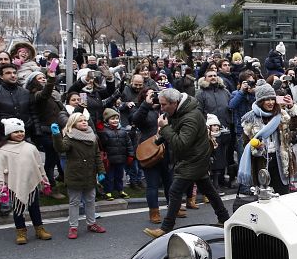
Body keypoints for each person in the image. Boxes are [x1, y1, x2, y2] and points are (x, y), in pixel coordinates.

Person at [143, 88, 231, 239]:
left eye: (164, 105)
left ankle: (165, 228)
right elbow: (175, 129)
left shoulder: (191, 117)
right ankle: (225, 219)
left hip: (194, 159)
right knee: (208, 190)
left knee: (175, 191)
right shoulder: (178, 112)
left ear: (174, 103)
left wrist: (164, 128)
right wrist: (159, 138)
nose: (161, 108)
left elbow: (181, 143)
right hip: (194, 158)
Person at [0, 118, 52, 244]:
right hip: (15, 184)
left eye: (21, 131)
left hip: (31, 183)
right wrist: (1, 188)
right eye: (16, 132)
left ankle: (39, 229)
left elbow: (39, 165)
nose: (19, 134)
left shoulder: (30, 148)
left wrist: (44, 180)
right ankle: (21, 231)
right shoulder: (3, 151)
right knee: (18, 210)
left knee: (35, 208)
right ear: (9, 133)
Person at [51, 113, 107, 239]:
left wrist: (101, 171)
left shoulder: (92, 136)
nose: (84, 122)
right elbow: (61, 148)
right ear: (73, 123)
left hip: (90, 174)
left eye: (85, 120)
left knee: (90, 200)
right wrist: (56, 135)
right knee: (74, 202)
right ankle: (73, 226)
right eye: (80, 121)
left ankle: (91, 223)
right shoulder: (70, 136)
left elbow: (97, 155)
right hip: (75, 174)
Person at [238, 80, 297, 195]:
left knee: (284, 196)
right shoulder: (250, 118)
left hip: (281, 161)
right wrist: (257, 148)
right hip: (261, 162)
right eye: (267, 99)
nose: (270, 102)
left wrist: (291, 107)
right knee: (265, 199)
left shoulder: (282, 114)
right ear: (260, 101)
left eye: (272, 99)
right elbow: (246, 143)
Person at [132, 87, 172, 224]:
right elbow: (136, 120)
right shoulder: (142, 110)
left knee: (170, 182)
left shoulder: (164, 109)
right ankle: (154, 212)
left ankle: (173, 208)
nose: (154, 98)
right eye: (151, 95)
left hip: (166, 150)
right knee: (152, 184)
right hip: (150, 151)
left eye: (156, 95)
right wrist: (146, 104)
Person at [26, 68, 66, 199]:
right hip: (45, 132)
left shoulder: (52, 96)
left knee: (54, 159)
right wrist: (51, 79)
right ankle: (50, 186)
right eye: (40, 78)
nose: (43, 79)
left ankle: (50, 183)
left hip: (55, 132)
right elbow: (44, 93)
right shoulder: (36, 95)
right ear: (33, 82)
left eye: (44, 77)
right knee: (51, 160)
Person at [98, 108, 134, 200]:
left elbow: (129, 144)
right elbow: (102, 145)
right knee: (109, 177)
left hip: (121, 158)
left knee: (119, 176)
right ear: (107, 120)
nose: (115, 121)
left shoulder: (123, 131)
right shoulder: (104, 131)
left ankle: (120, 190)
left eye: (117, 118)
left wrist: (130, 155)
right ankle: (108, 191)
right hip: (109, 160)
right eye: (112, 119)